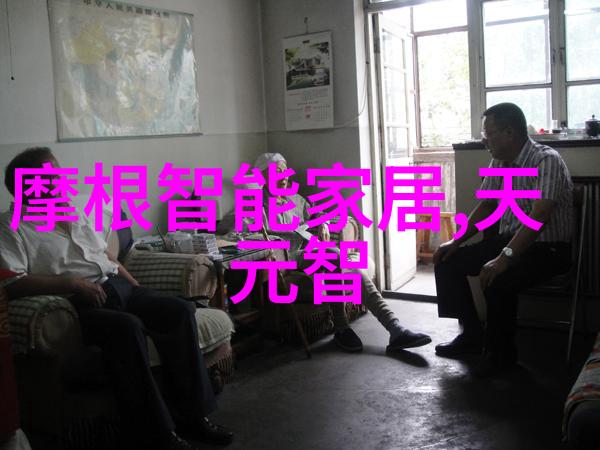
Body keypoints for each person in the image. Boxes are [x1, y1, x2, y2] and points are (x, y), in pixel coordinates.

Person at [0, 148, 233, 450]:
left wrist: (135, 286)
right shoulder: (11, 226)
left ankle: (194, 417)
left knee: (177, 310)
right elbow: (13, 281)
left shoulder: (72, 212)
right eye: (51, 176)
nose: (60, 180)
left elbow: (104, 255)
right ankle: (156, 433)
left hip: (115, 287)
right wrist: (72, 283)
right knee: (127, 328)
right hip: (76, 303)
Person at [222, 152, 431, 353]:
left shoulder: (295, 199)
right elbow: (232, 231)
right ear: (263, 178)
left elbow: (316, 213)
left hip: (308, 253)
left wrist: (322, 223)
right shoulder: (254, 203)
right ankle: (346, 328)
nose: (283, 177)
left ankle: (394, 328)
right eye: (276, 173)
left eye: (285, 171)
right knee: (334, 255)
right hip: (285, 260)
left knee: (352, 270)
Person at [433, 103, 573, 377]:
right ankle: (472, 335)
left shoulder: (546, 160)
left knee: (499, 278)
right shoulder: (499, 160)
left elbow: (539, 217)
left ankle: (501, 356)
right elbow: (486, 206)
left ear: (509, 132)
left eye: (488, 133)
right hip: (510, 241)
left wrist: (504, 258)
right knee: (447, 260)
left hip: (548, 249)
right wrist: (456, 241)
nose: (484, 140)